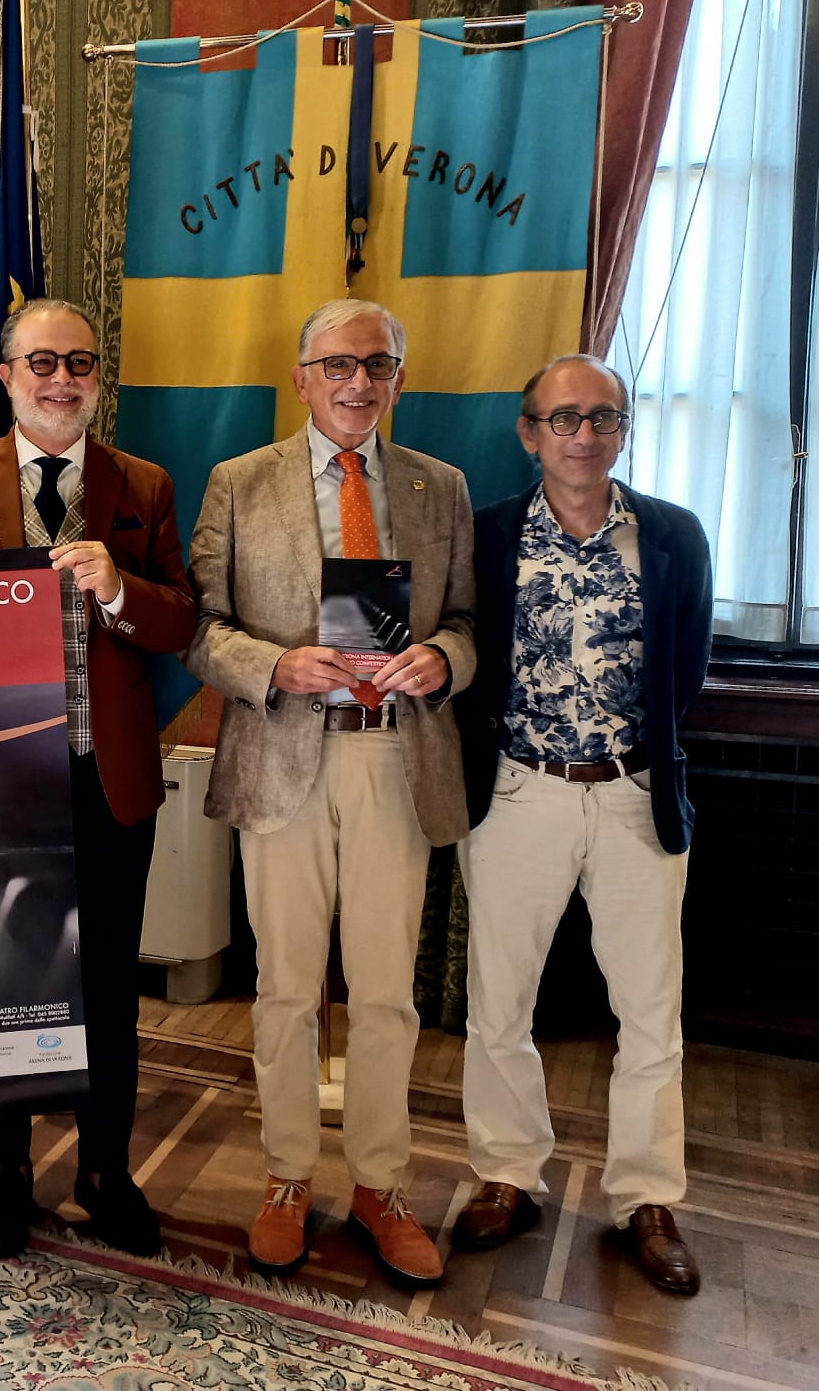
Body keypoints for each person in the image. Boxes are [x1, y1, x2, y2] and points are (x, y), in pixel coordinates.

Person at [185, 298, 475, 1288]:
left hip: (396, 756)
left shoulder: (440, 486)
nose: (358, 382)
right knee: (284, 988)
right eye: (338, 364)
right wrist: (273, 664)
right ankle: (287, 1175)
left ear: (399, 377)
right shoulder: (239, 481)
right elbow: (199, 627)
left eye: (377, 364)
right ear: (301, 376)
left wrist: (444, 657)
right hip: (283, 758)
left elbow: (468, 620)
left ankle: (381, 1185)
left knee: (387, 993)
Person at [0, 297, 196, 1258]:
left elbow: (180, 619)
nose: (61, 380)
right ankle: (9, 1169)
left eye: (78, 362)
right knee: (5, 977)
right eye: (41, 362)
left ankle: (106, 1170)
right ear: (7, 375)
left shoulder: (142, 485)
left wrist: (118, 589)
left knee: (107, 983)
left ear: (96, 377)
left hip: (108, 781)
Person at [451, 353, 712, 1296]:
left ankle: (645, 1197)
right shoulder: (485, 535)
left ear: (624, 429)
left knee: (650, 1011)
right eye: (563, 418)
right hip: (520, 792)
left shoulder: (673, 534)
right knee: (500, 1001)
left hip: (637, 793)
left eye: (603, 417)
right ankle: (507, 1173)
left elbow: (686, 670)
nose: (583, 435)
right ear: (530, 433)